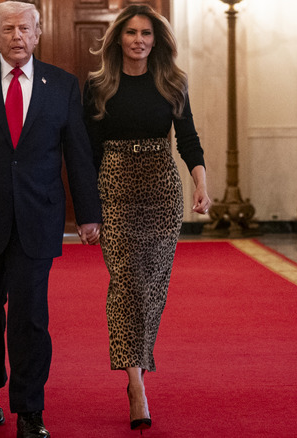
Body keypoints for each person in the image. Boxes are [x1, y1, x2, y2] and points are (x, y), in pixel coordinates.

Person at [0, 1, 102, 437]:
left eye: (25, 28)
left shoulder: (61, 85)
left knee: (30, 317)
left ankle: (30, 410)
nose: (17, 36)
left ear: (38, 33)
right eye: (7, 29)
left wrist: (88, 214)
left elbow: (77, 153)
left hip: (38, 218)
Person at [82, 4, 211, 432]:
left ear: (157, 41)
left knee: (152, 285)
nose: (139, 40)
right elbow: (88, 151)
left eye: (147, 34)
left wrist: (201, 183)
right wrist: (88, 209)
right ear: (119, 38)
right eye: (132, 32)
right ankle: (136, 384)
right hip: (115, 186)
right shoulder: (98, 85)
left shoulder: (173, 82)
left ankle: (136, 366)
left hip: (161, 188)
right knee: (127, 282)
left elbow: (188, 139)